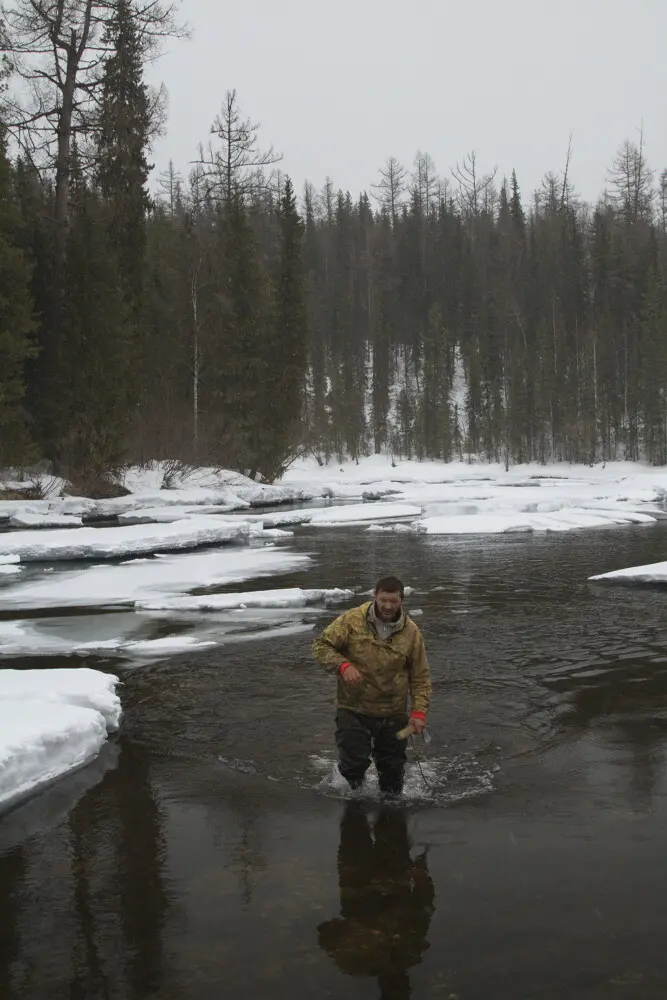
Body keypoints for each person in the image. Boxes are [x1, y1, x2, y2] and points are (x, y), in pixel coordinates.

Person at [312, 575, 432, 796]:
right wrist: (343, 665)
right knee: (353, 770)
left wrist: (418, 712)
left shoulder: (411, 633)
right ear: (375, 596)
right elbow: (321, 646)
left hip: (393, 712)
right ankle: (352, 814)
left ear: (401, 601)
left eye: (393, 601)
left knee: (392, 779)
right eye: (383, 599)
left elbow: (420, 677)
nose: (388, 606)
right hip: (353, 708)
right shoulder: (351, 620)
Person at [317, 801, 435, 1000]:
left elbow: (325, 932)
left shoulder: (354, 962)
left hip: (360, 879)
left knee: (358, 811)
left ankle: (359, 784)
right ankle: (362, 783)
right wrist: (421, 874)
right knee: (385, 809)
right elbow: (423, 907)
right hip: (384, 877)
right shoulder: (410, 952)